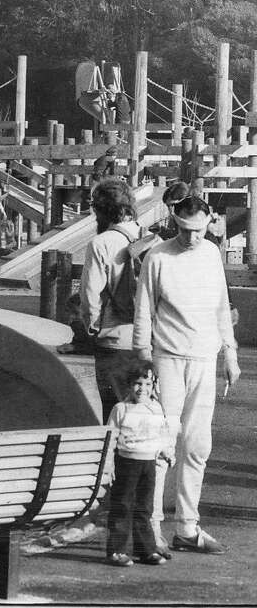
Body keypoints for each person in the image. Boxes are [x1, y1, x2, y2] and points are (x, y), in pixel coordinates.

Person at [133, 195, 241, 555]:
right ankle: (152, 527)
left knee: (197, 445)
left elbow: (221, 305)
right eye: (183, 229)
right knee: (164, 443)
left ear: (209, 222)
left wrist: (231, 351)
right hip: (168, 357)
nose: (191, 237)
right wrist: (144, 355)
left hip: (204, 357)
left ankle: (187, 526)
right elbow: (144, 309)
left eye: (197, 230)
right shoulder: (158, 256)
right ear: (173, 220)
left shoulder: (211, 253)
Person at [80, 179, 148, 420]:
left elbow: (90, 297)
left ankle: (117, 458)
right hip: (147, 340)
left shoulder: (101, 243)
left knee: (114, 412)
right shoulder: (149, 238)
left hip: (113, 340)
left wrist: (91, 330)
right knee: (144, 409)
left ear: (101, 210)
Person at [105, 365, 174, 567]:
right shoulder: (121, 409)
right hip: (126, 464)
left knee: (144, 508)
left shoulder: (156, 408)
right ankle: (116, 551)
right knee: (123, 506)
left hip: (148, 465)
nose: (142, 388)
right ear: (129, 385)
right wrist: (109, 466)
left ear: (153, 386)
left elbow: (160, 435)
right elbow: (110, 439)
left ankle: (145, 551)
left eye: (147, 384)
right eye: (137, 383)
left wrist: (165, 451)